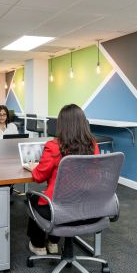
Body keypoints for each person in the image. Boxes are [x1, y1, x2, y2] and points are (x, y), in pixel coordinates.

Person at [26, 104, 100, 256]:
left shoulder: (54, 146)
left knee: (32, 199)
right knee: (62, 198)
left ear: (62, 124)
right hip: (87, 207)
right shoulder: (92, 145)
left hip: (59, 210)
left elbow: (39, 177)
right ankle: (53, 242)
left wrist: (34, 167)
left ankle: (38, 245)